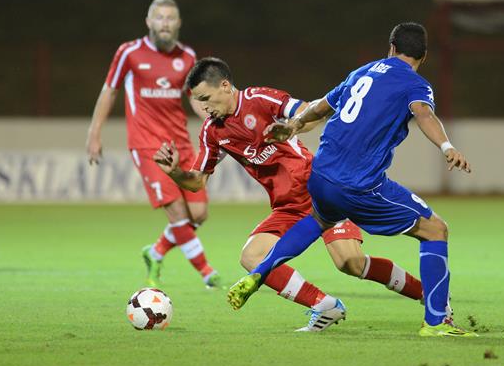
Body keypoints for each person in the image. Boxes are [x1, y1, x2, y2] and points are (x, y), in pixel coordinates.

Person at [227, 22, 478, 337]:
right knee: (435, 229)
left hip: (320, 175)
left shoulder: (362, 72)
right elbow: (424, 114)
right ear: (423, 56)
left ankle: (260, 271)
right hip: (359, 185)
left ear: (391, 48)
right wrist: (447, 146)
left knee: (319, 218)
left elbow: (321, 107)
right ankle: (437, 322)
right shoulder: (416, 84)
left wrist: (294, 124)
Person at [153, 57, 425, 332]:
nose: (204, 107)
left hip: (319, 190)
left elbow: (308, 113)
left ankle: (428, 294)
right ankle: (324, 305)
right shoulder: (212, 132)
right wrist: (174, 172)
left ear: (225, 86)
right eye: (199, 101)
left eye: (206, 98)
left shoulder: (258, 99)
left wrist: (292, 126)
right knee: (251, 257)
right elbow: (197, 181)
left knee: (351, 263)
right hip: (286, 207)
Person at [86, 0, 221, 288]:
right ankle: (207, 272)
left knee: (198, 214)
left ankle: (156, 251)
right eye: (159, 18)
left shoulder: (187, 57)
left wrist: (219, 124)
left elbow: (196, 101)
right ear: (148, 21)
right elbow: (109, 91)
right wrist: (94, 134)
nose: (164, 23)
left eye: (170, 18)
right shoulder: (129, 53)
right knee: (177, 212)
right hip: (147, 145)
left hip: (181, 144)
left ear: (178, 23)